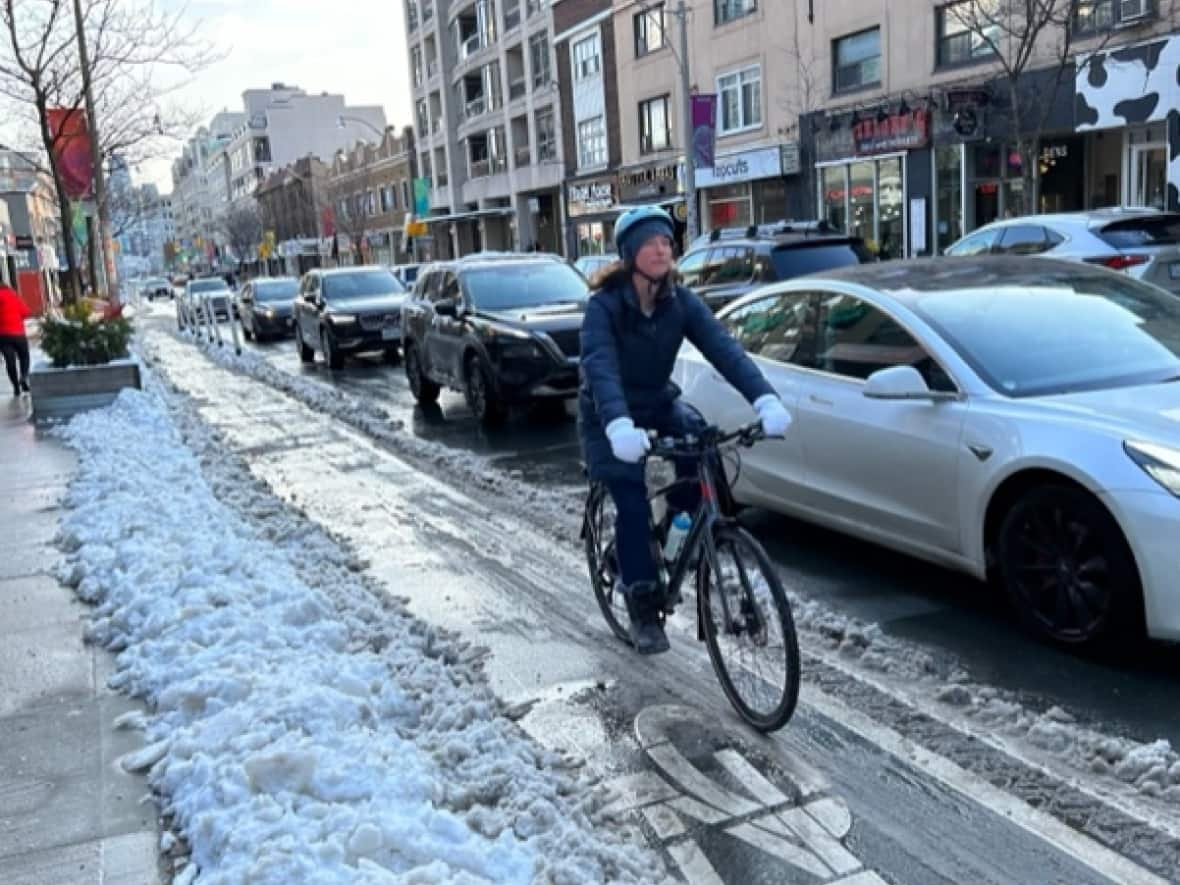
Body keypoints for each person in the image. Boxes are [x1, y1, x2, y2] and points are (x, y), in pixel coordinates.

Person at [578, 207, 791, 655]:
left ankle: (674, 537)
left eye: (666, 242)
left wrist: (765, 398)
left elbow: (724, 348)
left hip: (657, 402)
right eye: (650, 243)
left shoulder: (680, 301)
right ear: (629, 253)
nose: (662, 249)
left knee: (704, 455)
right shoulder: (605, 307)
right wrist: (618, 425)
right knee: (632, 503)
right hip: (607, 416)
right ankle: (641, 604)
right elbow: (601, 368)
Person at [0, 282, 31, 397]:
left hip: (2, 336)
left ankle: (16, 387)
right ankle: (23, 376)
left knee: (10, 361)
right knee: (24, 356)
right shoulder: (13, 295)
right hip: (18, 333)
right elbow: (26, 312)